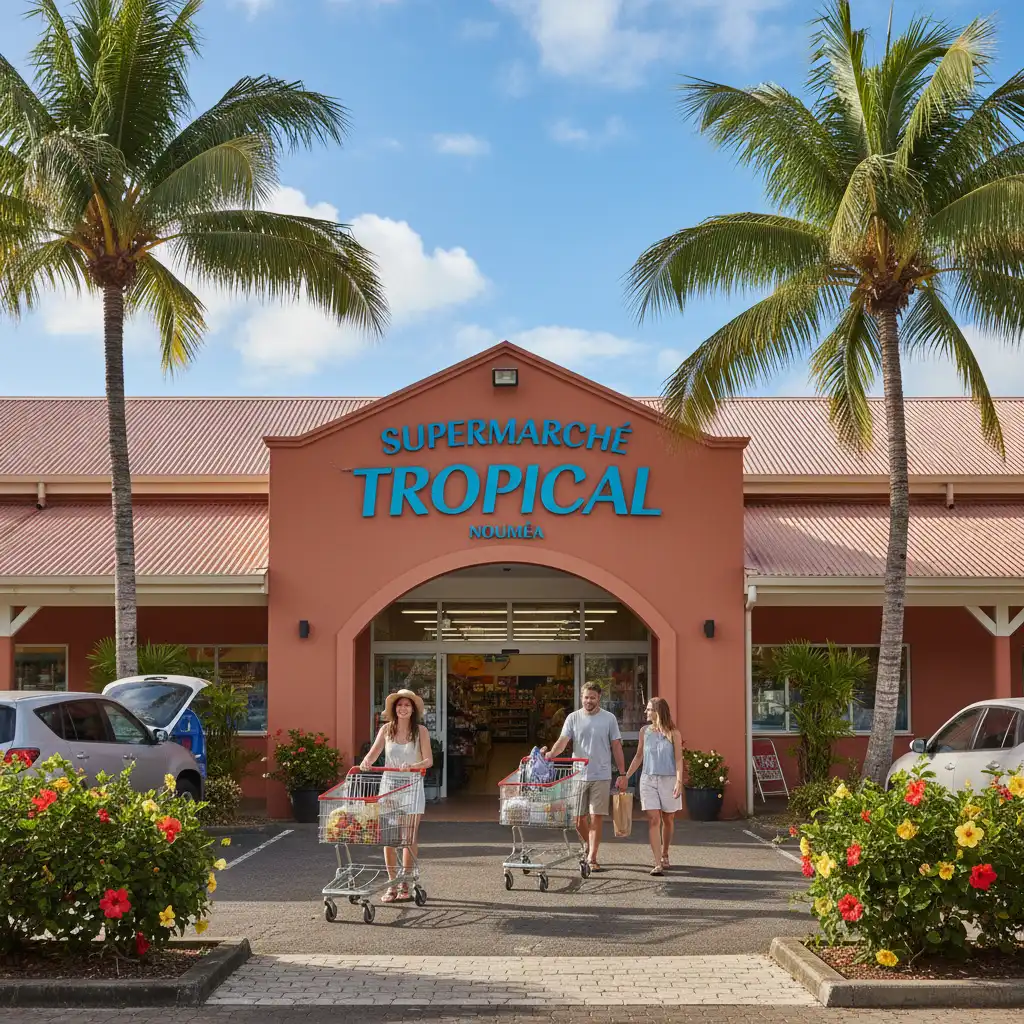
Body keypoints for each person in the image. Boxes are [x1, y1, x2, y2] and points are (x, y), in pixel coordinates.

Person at [542, 682, 626, 872]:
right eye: (586, 697)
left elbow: (616, 746)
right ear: (581, 697)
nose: (589, 701)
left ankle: (592, 857)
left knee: (596, 817)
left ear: (599, 698)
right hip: (579, 774)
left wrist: (622, 773)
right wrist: (549, 755)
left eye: (592, 698)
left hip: (601, 774)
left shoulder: (609, 719)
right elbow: (562, 742)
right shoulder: (573, 718)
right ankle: (588, 846)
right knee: (578, 819)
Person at [359, 689, 432, 903]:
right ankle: (392, 883)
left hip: (411, 787)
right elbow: (373, 754)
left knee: (408, 836)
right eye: (399, 705)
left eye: (407, 705)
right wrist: (365, 763)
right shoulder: (386, 730)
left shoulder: (421, 731)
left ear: (413, 710)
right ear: (394, 709)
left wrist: (412, 766)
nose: (403, 709)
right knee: (389, 838)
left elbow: (428, 760)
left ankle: (405, 882)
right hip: (389, 788)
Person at [624, 697, 683, 875]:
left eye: (649, 709)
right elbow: (639, 756)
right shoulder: (644, 731)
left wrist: (679, 781)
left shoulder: (674, 733)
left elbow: (679, 759)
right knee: (654, 820)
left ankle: (665, 853)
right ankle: (657, 862)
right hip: (648, 779)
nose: (646, 712)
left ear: (659, 711)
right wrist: (626, 776)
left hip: (669, 780)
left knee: (668, 819)